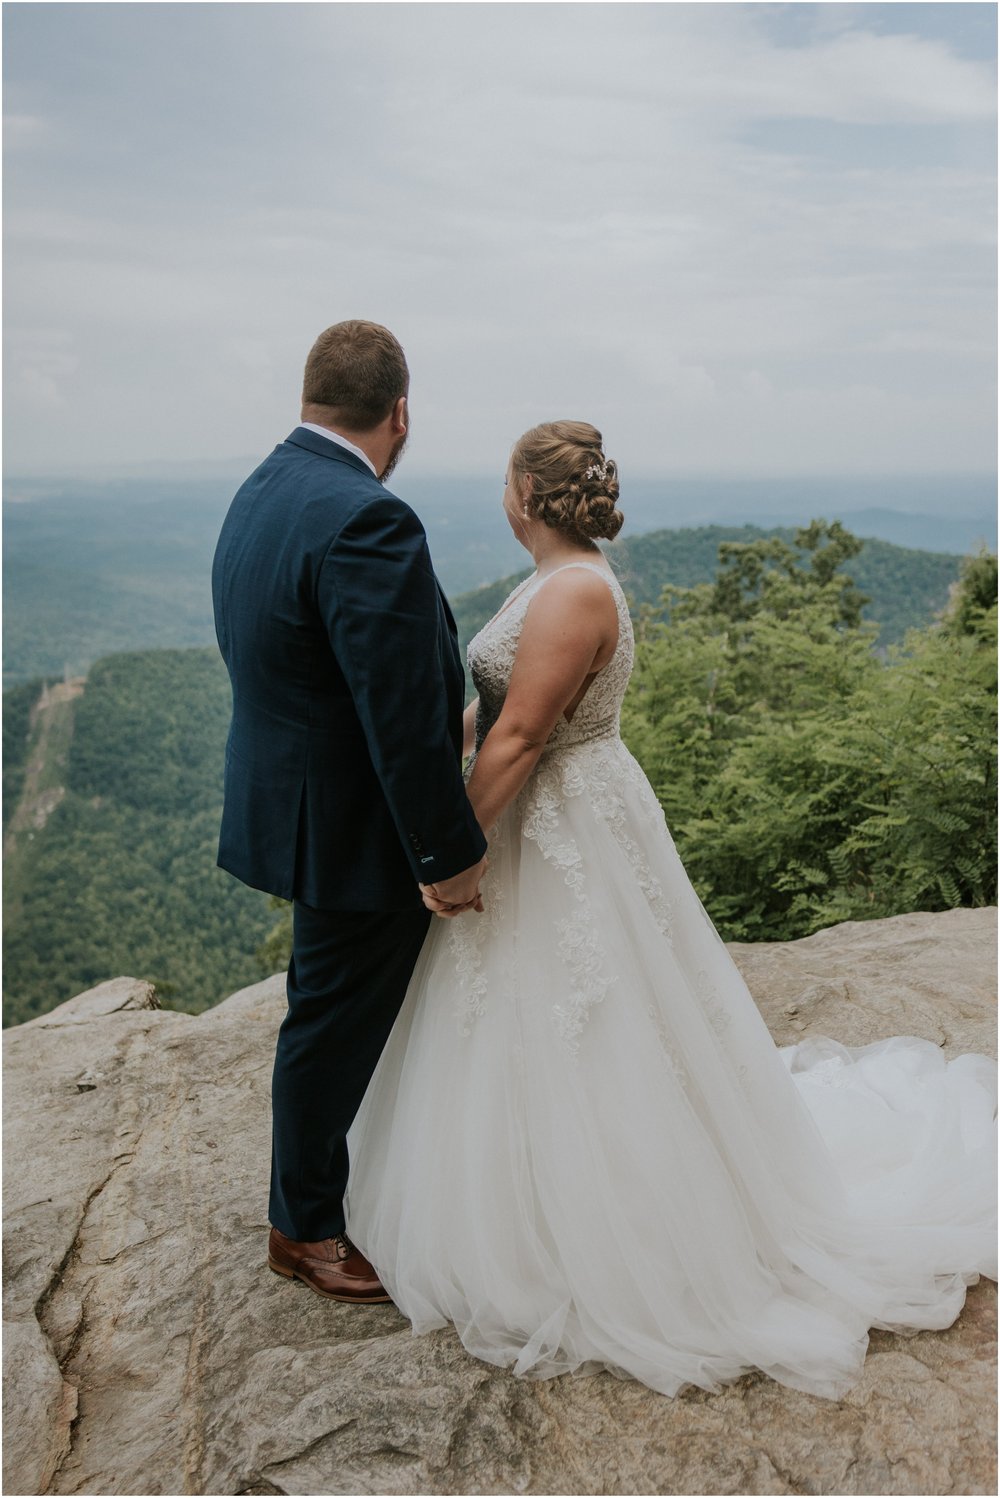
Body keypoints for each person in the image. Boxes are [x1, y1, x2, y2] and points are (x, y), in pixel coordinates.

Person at [345, 419, 997, 1399]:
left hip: (560, 819)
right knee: (526, 1008)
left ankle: (614, 1225)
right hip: (544, 814)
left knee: (588, 1009)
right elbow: (496, 705)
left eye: (506, 481)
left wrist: (449, 854)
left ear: (527, 493)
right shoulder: (552, 579)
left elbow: (523, 736)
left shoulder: (571, 592)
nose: (501, 496)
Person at [212, 320, 487, 1304]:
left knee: (332, 1006)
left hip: (289, 796)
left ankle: (358, 1178)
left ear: (309, 397)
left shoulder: (265, 486)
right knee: (328, 1021)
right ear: (399, 412)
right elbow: (403, 711)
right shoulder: (371, 519)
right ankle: (305, 1226)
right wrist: (444, 851)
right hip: (351, 824)